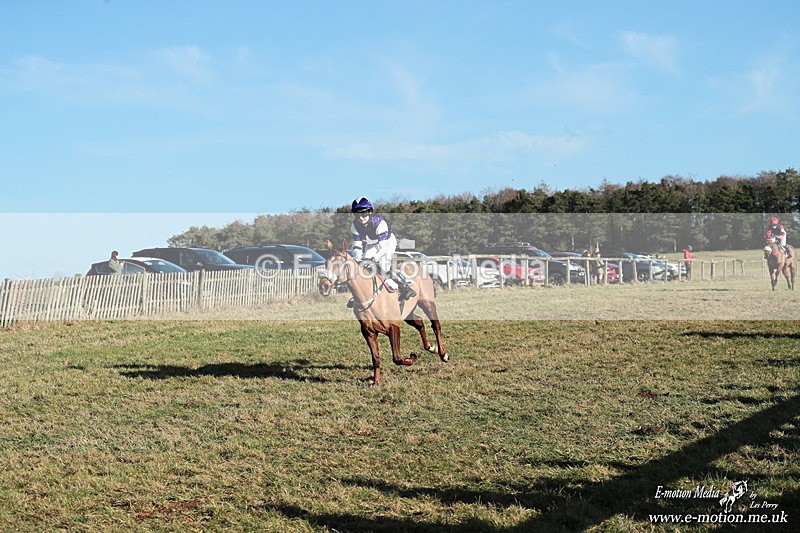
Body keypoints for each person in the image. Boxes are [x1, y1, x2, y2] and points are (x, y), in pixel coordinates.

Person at [349, 197, 417, 300]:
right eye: (357, 215)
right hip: (371, 243)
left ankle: (405, 287)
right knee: (363, 268)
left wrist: (374, 259)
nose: (361, 218)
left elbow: (383, 249)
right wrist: (358, 258)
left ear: (370, 212)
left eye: (363, 214)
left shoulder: (379, 223)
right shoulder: (354, 225)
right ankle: (361, 295)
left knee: (383, 266)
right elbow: (357, 246)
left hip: (387, 242)